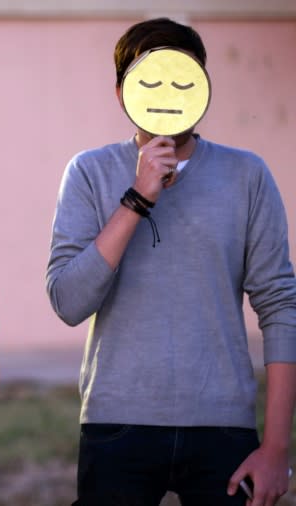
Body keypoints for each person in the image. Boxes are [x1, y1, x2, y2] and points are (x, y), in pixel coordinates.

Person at [46, 18, 296, 506]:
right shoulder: (89, 172)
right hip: (116, 422)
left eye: (186, 80)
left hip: (223, 425)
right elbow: (68, 301)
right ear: (122, 94)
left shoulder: (247, 175)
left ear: (204, 88)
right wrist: (138, 197)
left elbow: (281, 306)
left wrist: (276, 446)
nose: (170, 93)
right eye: (151, 79)